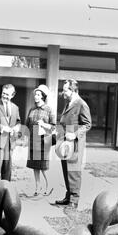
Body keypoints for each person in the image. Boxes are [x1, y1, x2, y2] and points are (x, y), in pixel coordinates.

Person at [55, 79, 92, 209]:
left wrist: (75, 134)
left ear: (73, 90)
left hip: (74, 143)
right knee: (66, 169)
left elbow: (87, 124)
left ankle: (74, 200)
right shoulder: (68, 103)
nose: (63, 93)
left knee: (73, 170)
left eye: (65, 90)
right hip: (65, 142)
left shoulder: (81, 104)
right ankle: (68, 196)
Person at [26, 84, 56, 196]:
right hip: (33, 141)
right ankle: (38, 188)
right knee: (35, 166)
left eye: (38, 95)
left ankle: (49, 185)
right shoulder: (31, 109)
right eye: (35, 94)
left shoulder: (49, 110)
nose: (36, 96)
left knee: (43, 167)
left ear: (43, 96)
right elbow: (27, 124)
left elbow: (53, 126)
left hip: (44, 142)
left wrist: (44, 124)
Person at [0, 84, 21, 183]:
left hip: (10, 142)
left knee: (7, 170)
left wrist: (17, 127)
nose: (5, 96)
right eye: (3, 93)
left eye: (8, 94)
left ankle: (6, 191)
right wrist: (2, 128)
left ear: (13, 95)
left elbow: (18, 121)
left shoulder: (15, 107)